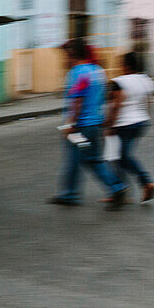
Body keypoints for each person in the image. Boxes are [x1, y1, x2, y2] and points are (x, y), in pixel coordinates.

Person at [50, 38, 128, 209]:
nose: (64, 59)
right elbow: (103, 98)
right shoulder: (98, 71)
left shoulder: (77, 73)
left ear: (72, 55)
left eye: (65, 55)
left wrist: (70, 125)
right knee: (90, 159)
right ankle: (114, 187)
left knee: (76, 159)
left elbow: (77, 100)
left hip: (80, 126)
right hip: (95, 124)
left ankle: (71, 194)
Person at [106, 52, 154, 202]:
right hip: (141, 122)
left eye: (121, 63)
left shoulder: (119, 82)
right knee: (122, 157)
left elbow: (117, 105)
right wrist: (144, 116)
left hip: (124, 124)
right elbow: (149, 102)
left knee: (120, 157)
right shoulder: (146, 80)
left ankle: (144, 183)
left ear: (127, 65)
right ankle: (123, 190)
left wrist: (111, 124)